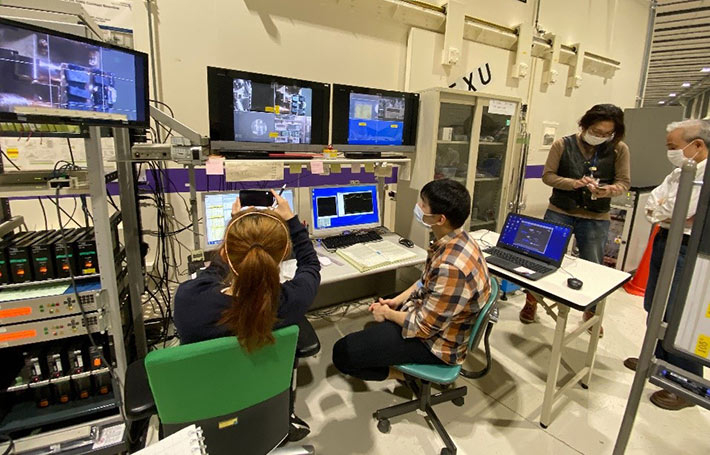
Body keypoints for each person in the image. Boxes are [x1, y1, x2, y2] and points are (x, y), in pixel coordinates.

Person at [173, 190, 320, 439]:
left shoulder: (189, 298)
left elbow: (213, 272)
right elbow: (311, 266)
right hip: (264, 403)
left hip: (208, 409)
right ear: (285, 252)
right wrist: (292, 221)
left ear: (226, 251)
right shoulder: (288, 302)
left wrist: (234, 228)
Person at [332, 179, 491, 381]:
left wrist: (388, 313)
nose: (418, 207)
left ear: (440, 219)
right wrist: (397, 300)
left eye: (423, 204)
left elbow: (421, 327)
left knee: (343, 352)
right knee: (383, 302)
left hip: (437, 345)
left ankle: (404, 376)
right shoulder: (458, 240)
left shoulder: (451, 268)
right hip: (435, 318)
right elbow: (425, 282)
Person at [520, 104, 631, 336]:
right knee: (543, 259)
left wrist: (608, 190)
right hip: (559, 211)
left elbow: (624, 183)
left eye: (606, 134)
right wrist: (574, 184)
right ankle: (531, 302)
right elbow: (548, 176)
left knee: (593, 267)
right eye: (596, 131)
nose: (600, 137)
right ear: (585, 125)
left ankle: (590, 311)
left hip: (596, 216)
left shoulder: (619, 150)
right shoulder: (563, 144)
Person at [624, 119, 708, 410]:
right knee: (654, 305)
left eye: (673, 147)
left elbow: (679, 209)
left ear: (697, 145)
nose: (670, 152)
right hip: (666, 238)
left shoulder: (704, 175)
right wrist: (664, 213)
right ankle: (655, 360)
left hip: (689, 247)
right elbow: (654, 204)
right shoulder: (678, 172)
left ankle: (687, 385)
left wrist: (664, 212)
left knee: (677, 314)